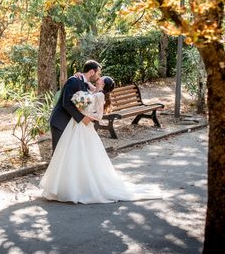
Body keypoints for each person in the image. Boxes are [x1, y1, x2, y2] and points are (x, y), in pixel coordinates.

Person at [40, 74, 161, 204]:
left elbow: (99, 116)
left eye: (102, 78)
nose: (99, 77)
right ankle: (70, 184)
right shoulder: (93, 90)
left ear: (103, 84)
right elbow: (82, 88)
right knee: (72, 153)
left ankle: (80, 187)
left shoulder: (100, 95)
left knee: (84, 155)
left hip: (84, 125)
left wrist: (87, 115)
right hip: (76, 125)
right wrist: (80, 79)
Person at [48, 60, 102, 153]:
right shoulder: (73, 80)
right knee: (58, 153)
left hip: (71, 124)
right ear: (92, 72)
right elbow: (66, 103)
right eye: (98, 73)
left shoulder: (84, 84)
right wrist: (82, 118)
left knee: (67, 154)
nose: (98, 76)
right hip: (60, 122)